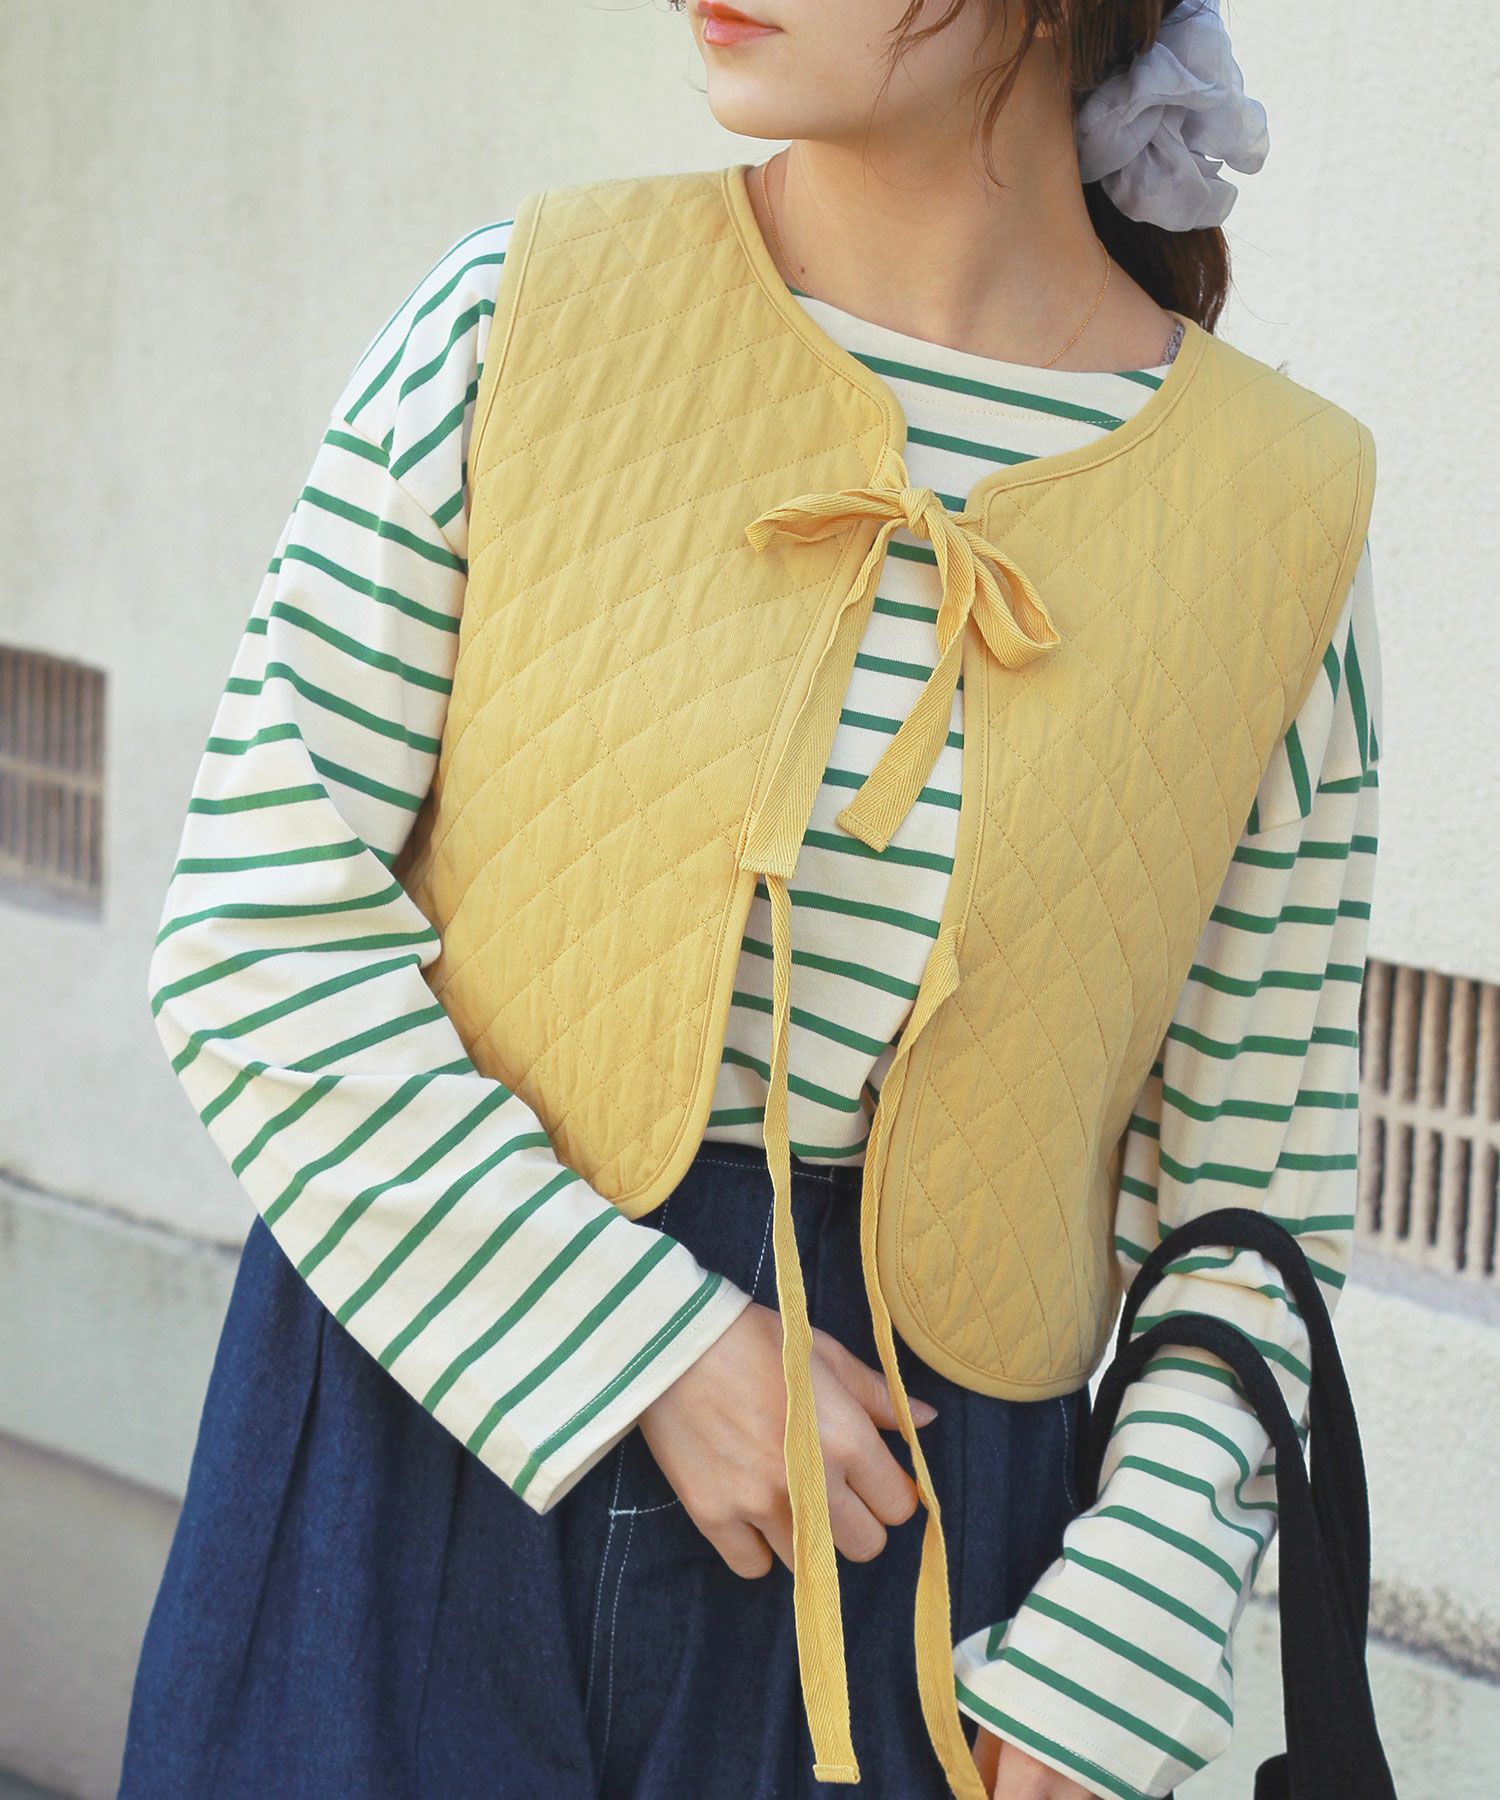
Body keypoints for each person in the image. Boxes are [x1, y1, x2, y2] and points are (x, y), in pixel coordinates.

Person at [118, 3, 1381, 1798]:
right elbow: (257, 929)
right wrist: (644, 1343)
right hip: (415, 1431)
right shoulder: (520, 318)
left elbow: (1252, 1185)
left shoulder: (1277, 509)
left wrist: (1133, 1625)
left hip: (918, 1547)